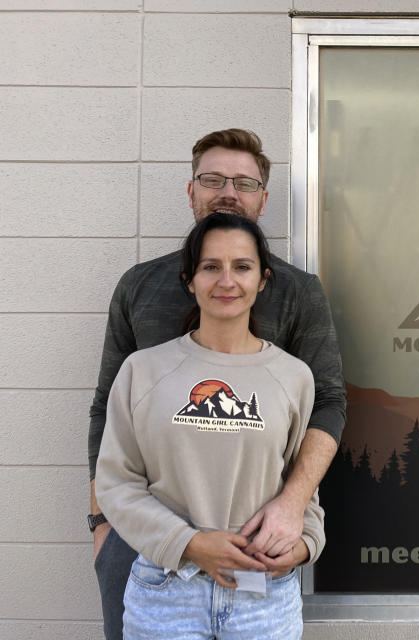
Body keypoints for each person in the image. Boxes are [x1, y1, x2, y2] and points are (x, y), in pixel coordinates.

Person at [88, 129, 345, 640]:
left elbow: (324, 407)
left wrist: (295, 513)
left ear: (263, 198)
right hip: (143, 540)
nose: (228, 192)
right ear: (191, 191)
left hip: (255, 564)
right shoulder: (139, 286)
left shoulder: (297, 293)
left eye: (244, 182)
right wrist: (100, 521)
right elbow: (106, 412)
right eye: (213, 179)